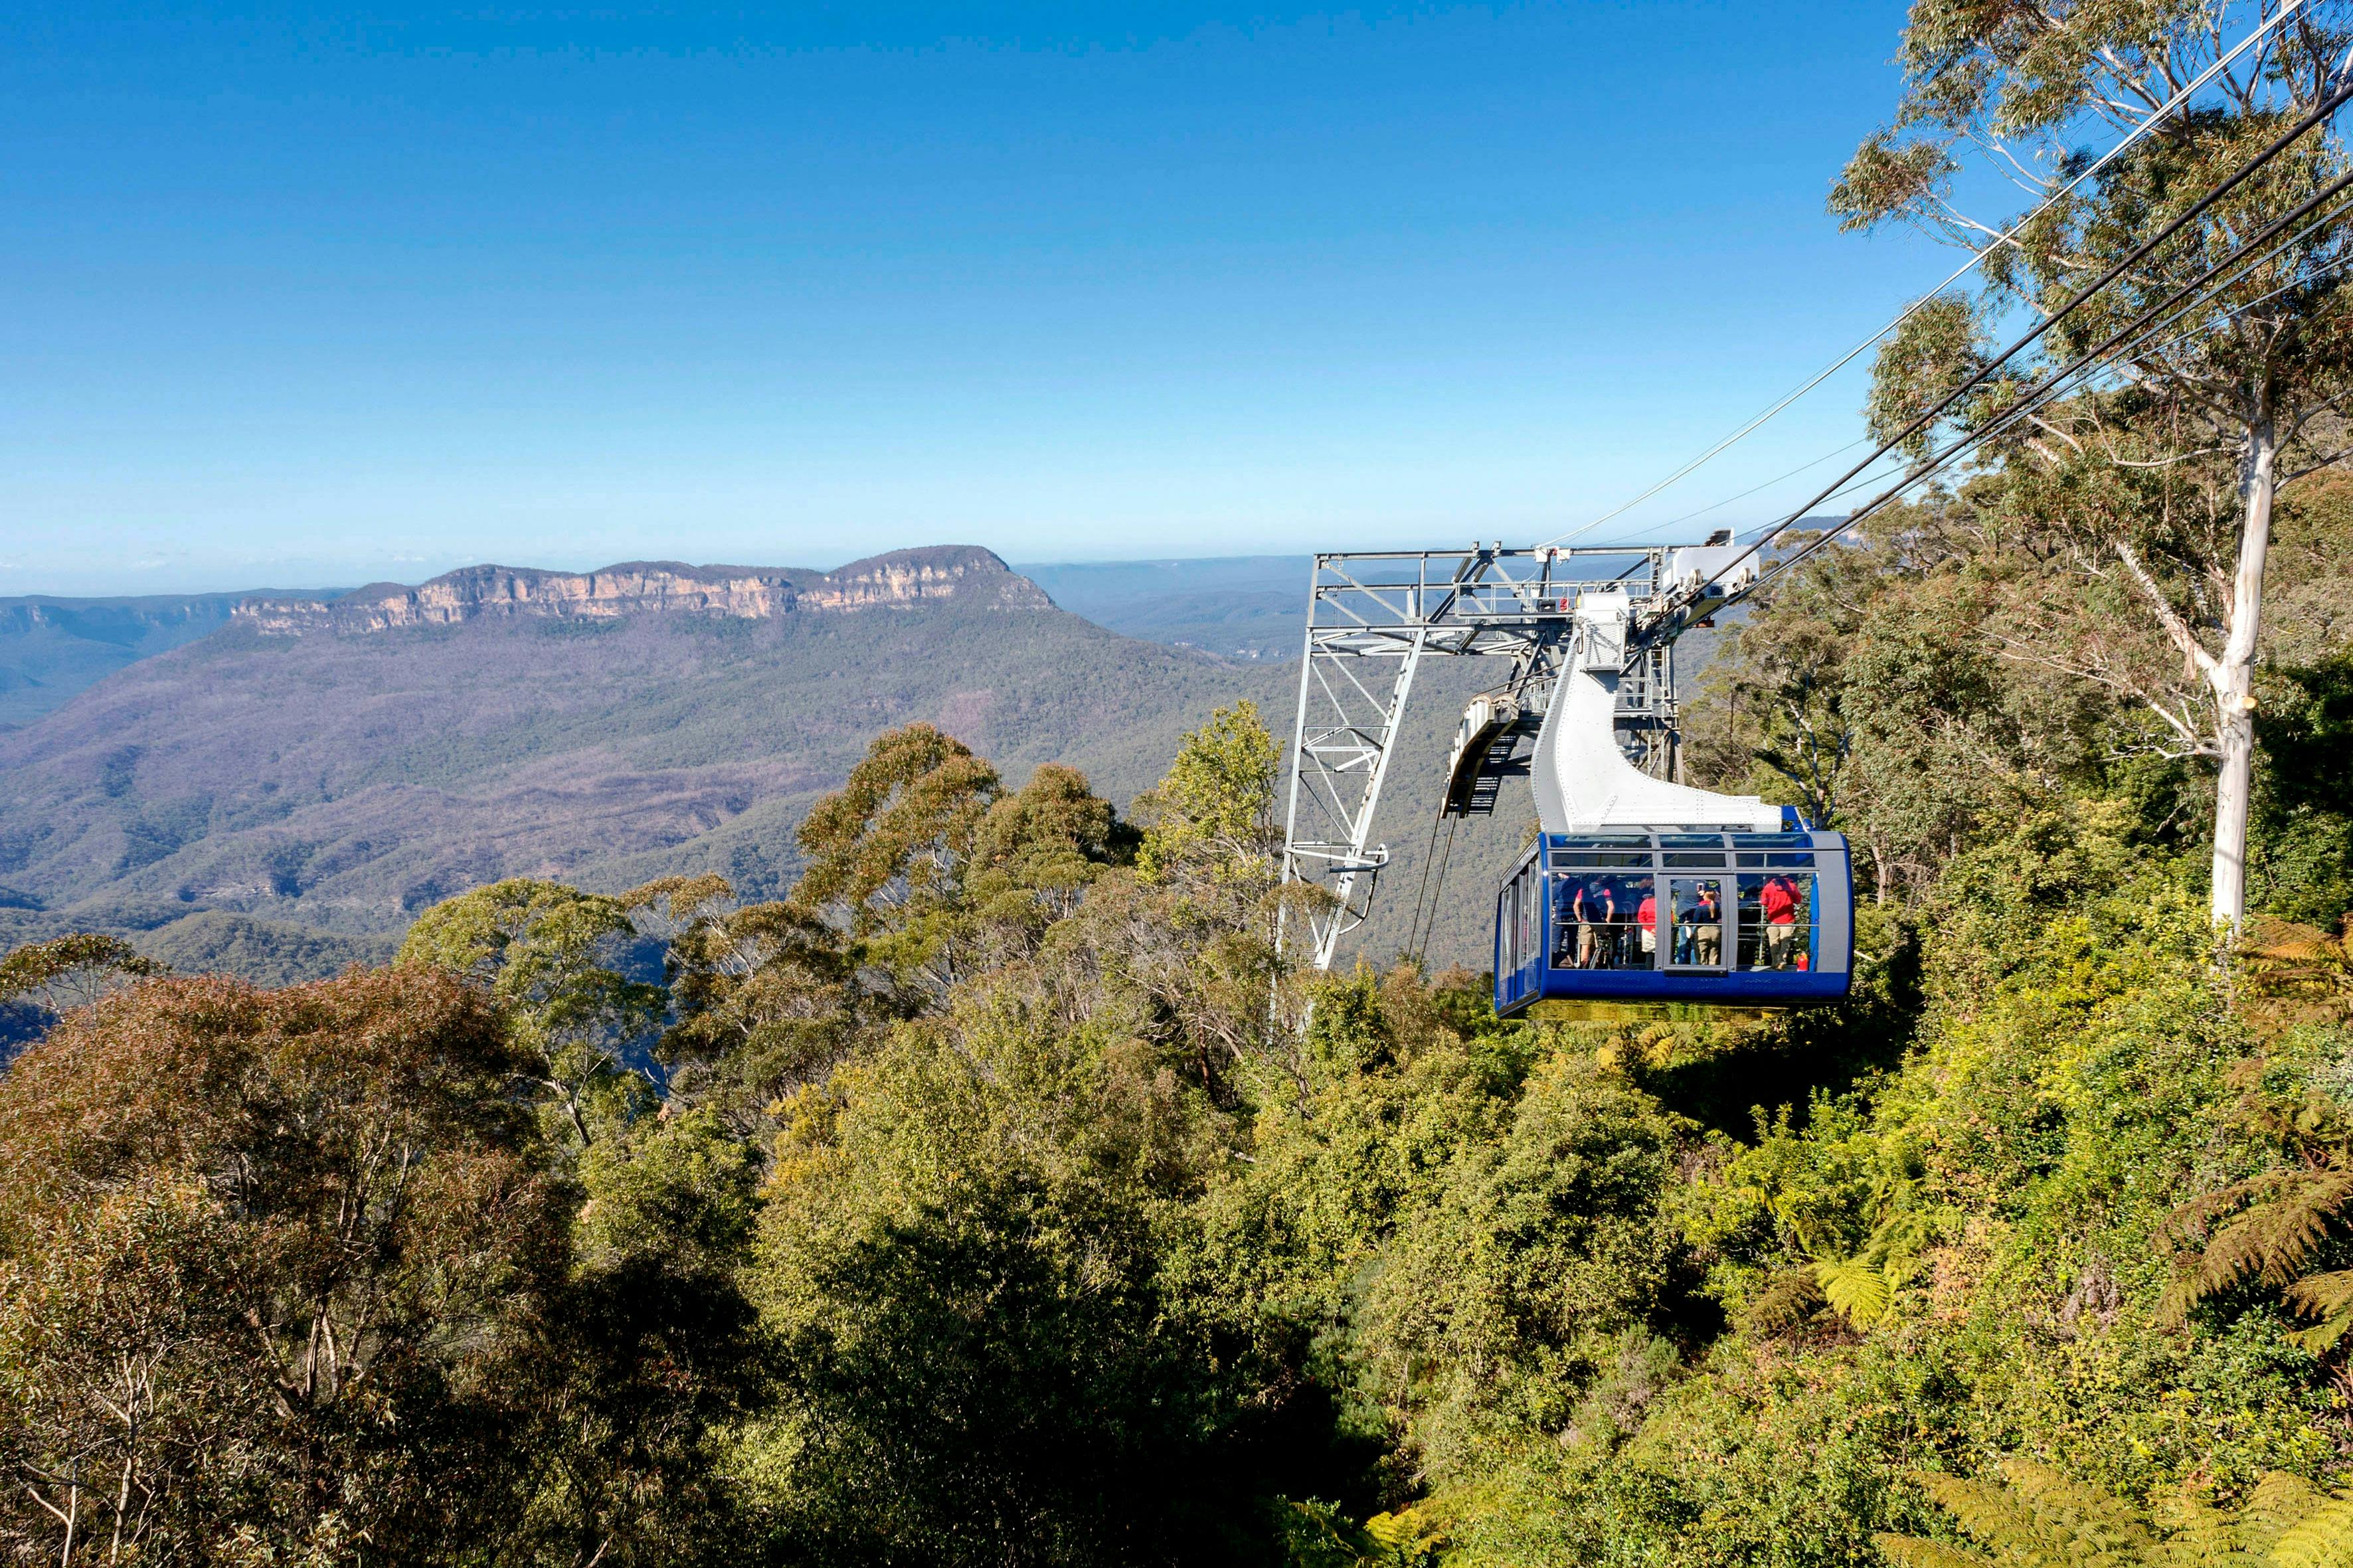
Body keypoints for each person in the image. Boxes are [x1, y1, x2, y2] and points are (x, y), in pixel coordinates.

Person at [1759, 873, 1802, 969]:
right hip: (1788, 918)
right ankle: (1781, 962)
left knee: (1773, 941)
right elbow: (1798, 900)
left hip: (1773, 918)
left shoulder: (1769, 886)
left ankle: (1775, 962)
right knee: (1785, 942)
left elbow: (1764, 902)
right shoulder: (1792, 886)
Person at [1686, 882, 1721, 966]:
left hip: (1703, 931)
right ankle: (1713, 969)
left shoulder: (1700, 907)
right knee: (1714, 954)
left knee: (1701, 954)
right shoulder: (1717, 906)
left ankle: (1702, 970)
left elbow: (1696, 921)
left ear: (1705, 896)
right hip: (1715, 930)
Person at [1636, 883, 1658, 965]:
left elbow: (1641, 918)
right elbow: (1670, 918)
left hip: (1648, 931)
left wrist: (1650, 928)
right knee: (1662, 953)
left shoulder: (1645, 902)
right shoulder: (1664, 902)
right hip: (1662, 930)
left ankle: (1649, 971)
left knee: (1649, 953)